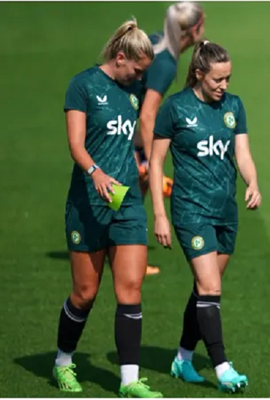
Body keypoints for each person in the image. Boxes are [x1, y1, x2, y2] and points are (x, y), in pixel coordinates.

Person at [55, 18, 163, 398]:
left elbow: (140, 129)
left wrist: (147, 164)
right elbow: (76, 145)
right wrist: (96, 173)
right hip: (88, 202)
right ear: (120, 58)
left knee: (130, 289)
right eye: (137, 70)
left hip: (126, 202)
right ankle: (63, 362)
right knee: (85, 293)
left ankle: (129, 380)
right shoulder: (83, 86)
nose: (140, 79)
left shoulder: (133, 90)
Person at [149, 40, 260, 393]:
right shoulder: (175, 108)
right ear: (199, 74)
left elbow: (242, 153)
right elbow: (155, 163)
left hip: (226, 213)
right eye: (217, 79)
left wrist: (252, 182)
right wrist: (160, 215)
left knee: (203, 290)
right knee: (211, 287)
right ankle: (223, 367)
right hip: (191, 211)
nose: (224, 85)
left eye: (228, 78)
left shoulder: (234, 106)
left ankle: (183, 358)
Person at [135, 1, 205, 276]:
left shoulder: (155, 42)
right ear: (194, 29)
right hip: (125, 136)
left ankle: (121, 254)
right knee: (128, 197)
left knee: (129, 197)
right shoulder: (165, 64)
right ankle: (124, 258)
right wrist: (153, 162)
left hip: (120, 129)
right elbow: (147, 115)